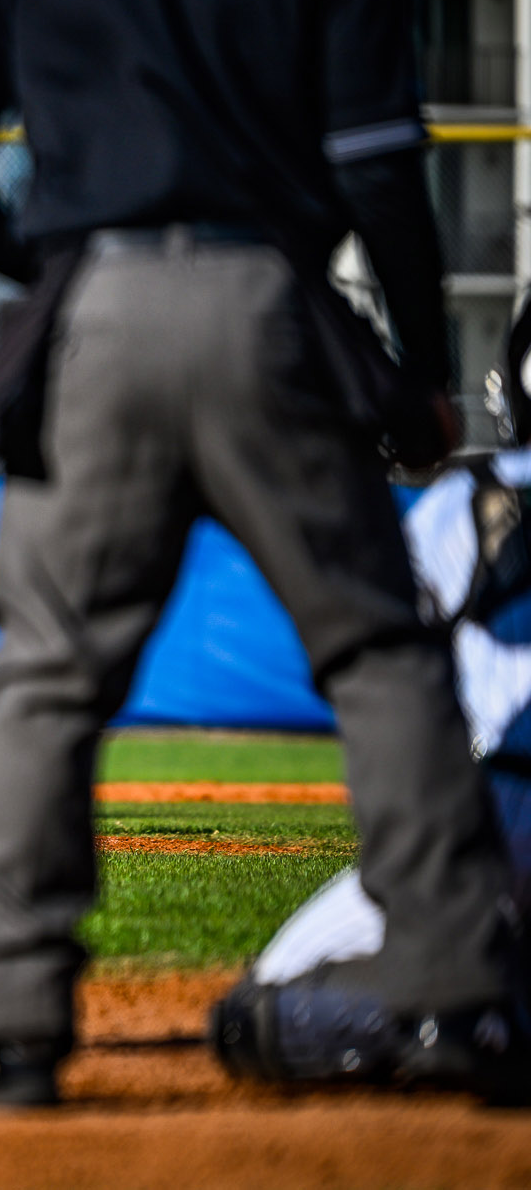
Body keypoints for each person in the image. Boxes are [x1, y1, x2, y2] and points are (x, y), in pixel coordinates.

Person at [0, 0, 525, 1105]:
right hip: (271, 305)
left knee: (45, 681)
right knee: (376, 656)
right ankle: (455, 1000)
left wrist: (47, 279)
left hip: (90, 312)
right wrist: (415, 367)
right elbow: (377, 174)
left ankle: (4, 1033)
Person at [215, 308, 531, 1085]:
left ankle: (478, 1021)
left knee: (257, 1017)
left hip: (494, 820)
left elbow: (397, 676)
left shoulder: (476, 495)